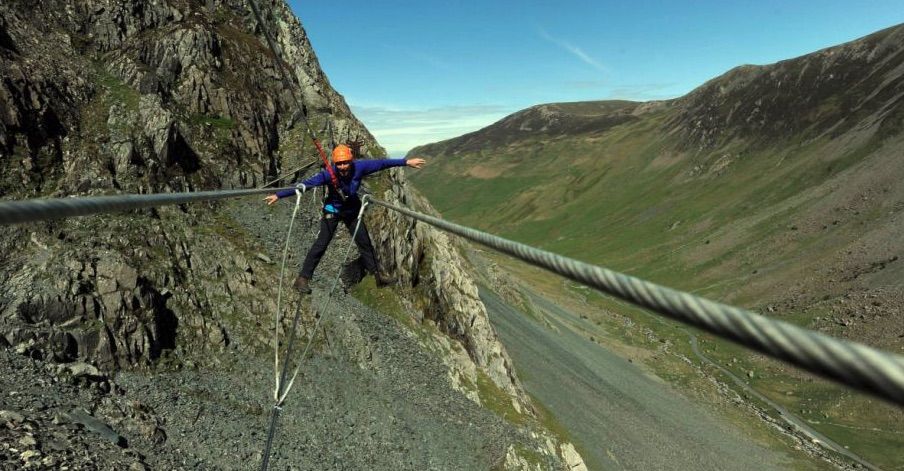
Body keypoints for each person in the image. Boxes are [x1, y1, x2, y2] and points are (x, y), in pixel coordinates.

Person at [264, 144, 426, 294]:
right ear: (335, 163)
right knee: (321, 244)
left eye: (345, 163)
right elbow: (306, 185)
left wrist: (406, 162)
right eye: (339, 163)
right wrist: (279, 195)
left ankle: (378, 277)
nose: (342, 166)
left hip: (351, 211)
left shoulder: (360, 167)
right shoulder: (328, 174)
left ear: (351, 160)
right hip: (333, 211)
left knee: (365, 242)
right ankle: (302, 279)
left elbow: (382, 163)